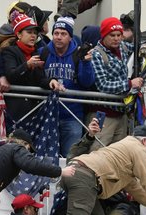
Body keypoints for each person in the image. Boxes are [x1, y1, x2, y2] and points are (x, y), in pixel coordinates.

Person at [1, 12, 64, 131]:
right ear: (19, 34)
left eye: (35, 33)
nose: (33, 36)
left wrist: (51, 81)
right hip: (15, 111)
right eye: (29, 32)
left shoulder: (36, 53)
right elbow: (11, 76)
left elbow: (39, 79)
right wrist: (27, 65)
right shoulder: (10, 51)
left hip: (33, 111)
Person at [42, 16, 95, 155]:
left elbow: (87, 82)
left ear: (70, 37)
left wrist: (86, 63)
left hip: (72, 116)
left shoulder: (78, 54)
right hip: (47, 114)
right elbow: (37, 78)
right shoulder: (44, 52)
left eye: (63, 34)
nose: (59, 37)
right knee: (46, 158)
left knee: (70, 157)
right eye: (56, 33)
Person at [89, 17, 142, 150]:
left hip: (121, 112)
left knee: (119, 154)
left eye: (119, 35)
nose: (116, 38)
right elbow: (102, 85)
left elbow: (138, 48)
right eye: (112, 35)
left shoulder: (123, 47)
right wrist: (129, 84)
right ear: (104, 35)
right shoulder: (96, 54)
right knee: (98, 151)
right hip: (103, 114)